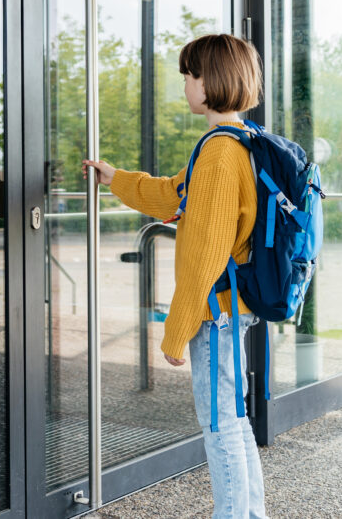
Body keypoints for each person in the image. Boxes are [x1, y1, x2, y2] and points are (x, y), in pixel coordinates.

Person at [83, 34, 268, 518]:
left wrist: (177, 331)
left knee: (220, 425)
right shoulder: (239, 142)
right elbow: (172, 196)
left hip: (217, 312)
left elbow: (205, 251)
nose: (185, 83)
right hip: (235, 307)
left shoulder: (220, 155)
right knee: (234, 419)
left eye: (190, 74)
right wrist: (115, 178)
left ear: (212, 81)